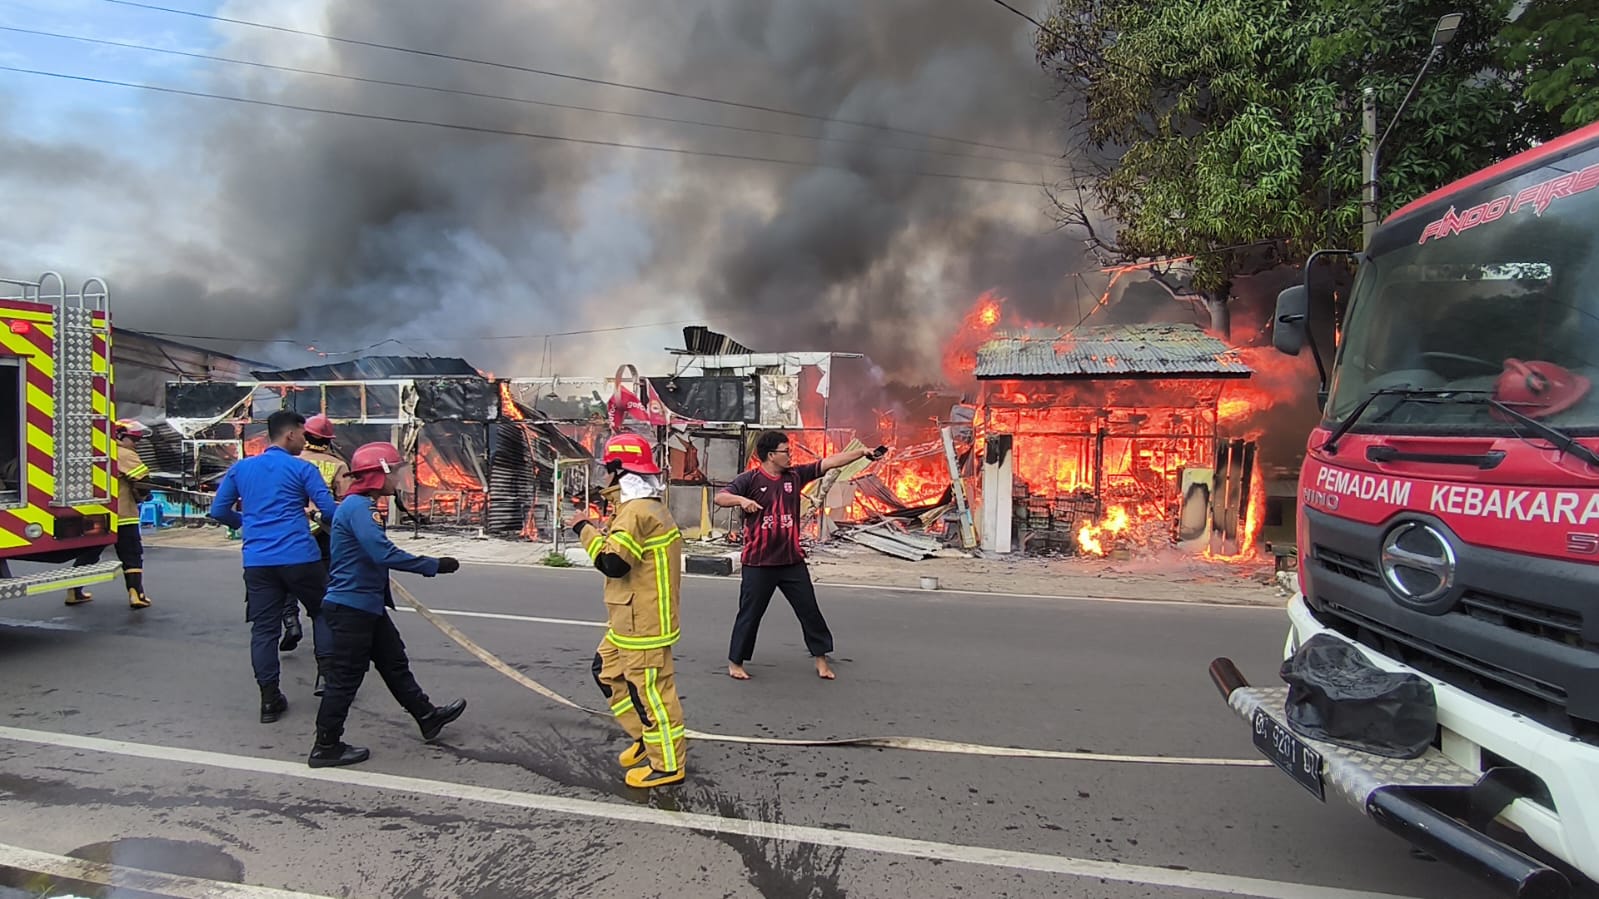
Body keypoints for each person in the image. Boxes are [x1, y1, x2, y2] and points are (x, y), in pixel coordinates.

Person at [309, 441, 465, 769]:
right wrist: (432, 564)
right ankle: (326, 745)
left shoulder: (361, 506)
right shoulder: (357, 508)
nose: (398, 478)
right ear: (379, 473)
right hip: (352, 609)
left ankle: (426, 716)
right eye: (394, 471)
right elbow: (383, 553)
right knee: (345, 679)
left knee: (394, 662)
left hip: (366, 606)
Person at [567, 433, 687, 788]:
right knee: (605, 670)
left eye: (607, 469)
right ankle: (643, 737)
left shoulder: (635, 513)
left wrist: (583, 528)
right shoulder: (639, 507)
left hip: (643, 624)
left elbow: (613, 564)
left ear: (619, 472)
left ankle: (667, 765)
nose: (604, 476)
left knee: (651, 694)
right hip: (629, 619)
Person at [716, 432, 886, 681]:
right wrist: (741, 500)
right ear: (771, 455)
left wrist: (861, 453)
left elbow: (828, 463)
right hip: (759, 563)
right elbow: (721, 497)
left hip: (791, 562)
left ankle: (821, 660)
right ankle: (736, 662)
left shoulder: (795, 476)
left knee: (809, 610)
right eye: (786, 451)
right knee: (750, 614)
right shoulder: (750, 480)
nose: (790, 455)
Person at [210, 410, 337, 724]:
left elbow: (218, 510)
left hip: (258, 562)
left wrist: (249, 523)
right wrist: (317, 518)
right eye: (303, 433)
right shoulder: (302, 469)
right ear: (290, 434)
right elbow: (331, 511)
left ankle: (269, 698)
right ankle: (326, 678)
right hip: (300, 557)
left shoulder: (241, 469)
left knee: (264, 630)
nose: (305, 439)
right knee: (322, 612)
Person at [61, 419, 156, 607]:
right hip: (123, 514)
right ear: (119, 436)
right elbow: (143, 480)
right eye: (134, 440)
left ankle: (73, 591)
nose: (136, 444)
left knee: (89, 554)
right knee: (132, 554)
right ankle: (137, 595)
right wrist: (144, 496)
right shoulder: (123, 453)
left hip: (96, 514)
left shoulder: (96, 451)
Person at [280, 414, 353, 656]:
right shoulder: (338, 465)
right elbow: (344, 502)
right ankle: (328, 642)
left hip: (292, 528)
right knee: (323, 586)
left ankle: (290, 620)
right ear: (328, 440)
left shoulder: (290, 462)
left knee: (287, 578)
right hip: (324, 530)